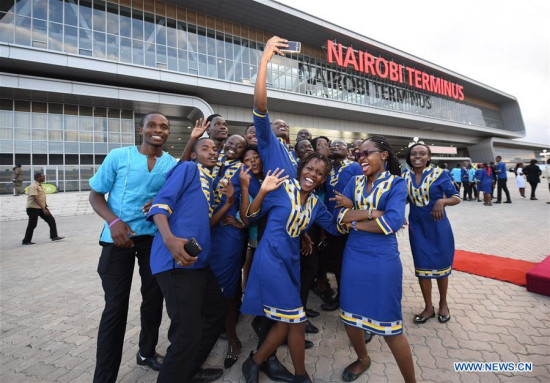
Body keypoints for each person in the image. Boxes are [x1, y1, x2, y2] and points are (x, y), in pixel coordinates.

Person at [88, 112, 177, 383]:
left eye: (163, 126)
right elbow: (95, 194)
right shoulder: (118, 156)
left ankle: (146, 352)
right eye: (152, 125)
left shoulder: (171, 163)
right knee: (116, 307)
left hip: (152, 239)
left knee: (153, 300)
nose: (157, 130)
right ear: (141, 129)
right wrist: (113, 220)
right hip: (118, 239)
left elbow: (173, 194)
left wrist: (159, 202)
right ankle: (104, 377)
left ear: (168, 133)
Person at [241, 154, 341, 383]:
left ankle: (255, 362)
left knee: (287, 321)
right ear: (300, 169)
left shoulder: (316, 203)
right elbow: (249, 217)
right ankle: (301, 375)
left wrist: (363, 214)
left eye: (319, 173)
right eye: (309, 168)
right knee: (296, 319)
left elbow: (335, 228)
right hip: (270, 260)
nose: (312, 175)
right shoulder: (281, 187)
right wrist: (263, 191)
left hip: (290, 263)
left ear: (323, 179)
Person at [148, 137, 233, 383]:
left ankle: (189, 369)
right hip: (176, 261)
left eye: (215, 149)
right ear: (193, 155)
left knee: (217, 309)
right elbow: (160, 204)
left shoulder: (210, 182)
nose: (212, 152)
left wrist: (228, 203)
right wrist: (169, 239)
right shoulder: (187, 168)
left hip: (199, 263)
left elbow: (206, 224)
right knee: (186, 333)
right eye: (205, 148)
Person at [332, 136, 416, 383]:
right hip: (354, 256)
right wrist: (371, 213)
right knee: (350, 316)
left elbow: (392, 223)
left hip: (382, 260)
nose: (361, 158)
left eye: (367, 152)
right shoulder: (355, 181)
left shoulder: (397, 184)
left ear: (384, 155)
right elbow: (338, 217)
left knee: (390, 326)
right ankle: (363, 358)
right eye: (358, 154)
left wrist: (355, 220)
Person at [402, 144, 460, 328]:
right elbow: (400, 199)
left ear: (429, 157)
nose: (417, 157)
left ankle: (443, 304)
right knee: (423, 269)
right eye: (413, 154)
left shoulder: (440, 174)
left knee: (442, 267)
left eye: (422, 153)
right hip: (417, 228)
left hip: (438, 227)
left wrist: (442, 201)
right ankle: (428, 307)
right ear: (409, 156)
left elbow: (456, 197)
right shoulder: (403, 177)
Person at [208, 134, 248, 369]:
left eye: (239, 146)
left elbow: (253, 198)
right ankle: (210, 330)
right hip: (205, 230)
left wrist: (244, 222)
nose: (233, 147)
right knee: (206, 283)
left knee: (227, 287)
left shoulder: (242, 169)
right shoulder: (211, 161)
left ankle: (233, 339)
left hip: (227, 234)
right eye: (231, 142)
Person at [321, 139, 363, 312]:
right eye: (333, 145)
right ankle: (341, 297)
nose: (336, 146)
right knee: (337, 263)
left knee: (353, 263)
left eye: (341, 145)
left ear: (348, 151)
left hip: (352, 224)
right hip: (332, 224)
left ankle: (354, 299)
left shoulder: (354, 167)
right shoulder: (328, 169)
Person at [22, 172, 64, 245]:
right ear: (39, 177)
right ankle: (26, 241)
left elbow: (41, 198)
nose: (44, 177)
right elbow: (35, 198)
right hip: (33, 208)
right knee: (32, 224)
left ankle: (54, 236)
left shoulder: (40, 185)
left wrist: (44, 207)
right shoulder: (33, 186)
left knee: (51, 220)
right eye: (43, 176)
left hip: (41, 207)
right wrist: (43, 208)